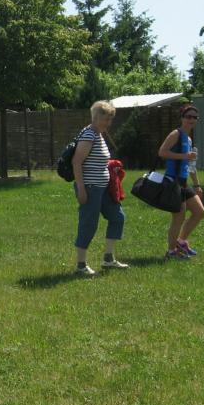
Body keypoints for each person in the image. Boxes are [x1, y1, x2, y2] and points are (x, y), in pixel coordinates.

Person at [71, 100, 129, 275]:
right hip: (90, 187)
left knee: (117, 217)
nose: (108, 123)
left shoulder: (99, 134)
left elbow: (98, 160)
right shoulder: (89, 134)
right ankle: (81, 265)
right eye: (106, 119)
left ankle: (108, 259)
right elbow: (76, 162)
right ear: (95, 117)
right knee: (89, 223)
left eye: (110, 119)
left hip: (103, 188)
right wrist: (81, 189)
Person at [157, 104, 204, 259]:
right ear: (182, 118)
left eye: (194, 117)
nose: (191, 120)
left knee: (199, 212)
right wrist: (184, 156)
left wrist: (197, 185)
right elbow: (162, 152)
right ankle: (171, 251)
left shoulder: (189, 139)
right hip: (172, 181)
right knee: (179, 217)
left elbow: (191, 165)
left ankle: (181, 241)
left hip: (183, 182)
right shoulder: (176, 134)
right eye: (188, 116)